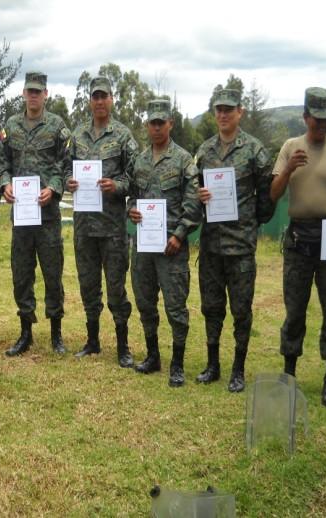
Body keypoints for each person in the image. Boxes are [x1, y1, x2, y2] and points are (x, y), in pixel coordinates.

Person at [271, 87, 326, 409]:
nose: (322, 126)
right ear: (305, 117)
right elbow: (274, 194)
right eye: (316, 120)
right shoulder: (290, 147)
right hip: (298, 240)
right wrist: (290, 167)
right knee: (295, 310)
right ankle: (289, 374)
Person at [195, 88, 274, 392]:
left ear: (240, 112)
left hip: (240, 246)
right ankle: (212, 365)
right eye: (219, 110)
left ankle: (238, 369)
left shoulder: (254, 150)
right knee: (211, 307)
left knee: (241, 310)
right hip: (212, 245)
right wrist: (200, 197)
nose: (224, 115)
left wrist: (252, 223)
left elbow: (267, 198)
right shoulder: (204, 151)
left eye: (229, 109)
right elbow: (194, 192)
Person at [128, 100, 202, 386]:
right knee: (145, 302)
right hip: (144, 246)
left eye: (161, 122)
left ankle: (178, 364)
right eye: (152, 123)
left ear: (170, 123)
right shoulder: (141, 160)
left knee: (175, 307)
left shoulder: (183, 160)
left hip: (172, 247)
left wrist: (179, 235)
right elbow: (133, 196)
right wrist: (131, 210)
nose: (156, 127)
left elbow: (193, 203)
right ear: (147, 125)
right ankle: (153, 356)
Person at [65, 76, 138, 368]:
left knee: (116, 287)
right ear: (89, 100)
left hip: (112, 228)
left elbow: (135, 177)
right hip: (84, 227)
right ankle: (92, 340)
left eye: (103, 96)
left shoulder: (123, 136)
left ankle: (122, 346)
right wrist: (70, 182)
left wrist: (117, 186)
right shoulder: (78, 135)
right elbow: (66, 169)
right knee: (88, 285)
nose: (98, 101)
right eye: (94, 96)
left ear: (111, 99)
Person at [0, 72, 70, 356]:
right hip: (22, 217)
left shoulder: (56, 126)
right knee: (22, 274)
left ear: (46, 94)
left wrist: (53, 188)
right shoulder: (11, 126)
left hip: (48, 216)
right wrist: (4, 183)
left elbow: (66, 165)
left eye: (38, 92)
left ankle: (56, 334)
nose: (33, 96)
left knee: (53, 274)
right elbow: (2, 162)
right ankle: (25, 332)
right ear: (23, 93)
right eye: (29, 91)